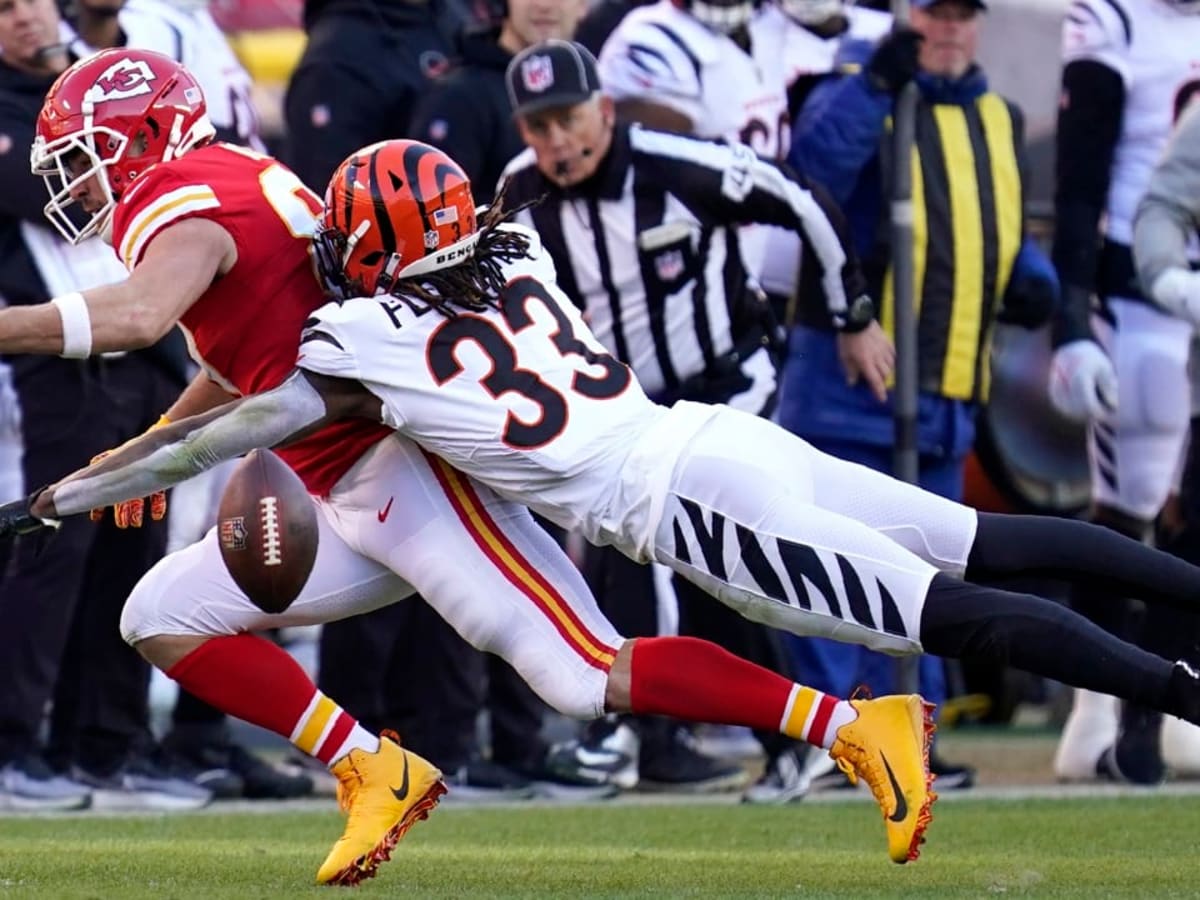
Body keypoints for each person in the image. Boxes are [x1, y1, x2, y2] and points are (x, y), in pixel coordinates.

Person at [25, 136, 1200, 848]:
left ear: (374, 253)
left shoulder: (349, 339)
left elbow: (228, 428)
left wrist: (82, 491)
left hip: (685, 508)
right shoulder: (520, 253)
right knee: (993, 542)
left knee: (956, 613)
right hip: (716, 437)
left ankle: (1178, 691)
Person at [2, 48, 944, 875]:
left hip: (402, 472)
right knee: (161, 615)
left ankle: (858, 727)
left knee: (581, 675)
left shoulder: (183, 195)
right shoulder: (231, 175)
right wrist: (120, 466)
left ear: (143, 135)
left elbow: (133, 320)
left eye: (85, 160)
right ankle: (375, 767)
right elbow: (232, 361)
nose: (78, 187)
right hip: (341, 481)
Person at [498, 38, 862, 799]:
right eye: (539, 127)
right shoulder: (520, 189)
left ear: (604, 109)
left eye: (568, 119)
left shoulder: (676, 163)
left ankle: (629, 730)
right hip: (626, 407)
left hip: (728, 380)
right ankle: (802, 733)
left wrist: (852, 314)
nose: (557, 141)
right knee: (693, 574)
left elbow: (799, 200)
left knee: (674, 548)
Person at [780, 0, 1058, 789]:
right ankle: (838, 739)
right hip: (846, 387)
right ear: (908, 19)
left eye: (962, 14)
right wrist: (875, 82)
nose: (949, 28)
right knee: (824, 570)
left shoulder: (995, 116)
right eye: (933, 13)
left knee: (924, 583)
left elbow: (993, 230)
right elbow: (815, 171)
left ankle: (915, 741)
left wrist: (1036, 285)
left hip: (945, 395)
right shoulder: (854, 85)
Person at [0, 0, 210, 812]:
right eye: (5, 7)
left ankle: (104, 746)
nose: (21, 19)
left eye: (31, 2)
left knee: (136, 556)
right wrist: (113, 130)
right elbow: (50, 189)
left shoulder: (96, 86)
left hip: (150, 358)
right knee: (50, 554)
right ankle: (15, 744)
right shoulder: (59, 107)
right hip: (61, 364)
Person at [1046, 0, 1200, 784]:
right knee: (1132, 503)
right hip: (1137, 287)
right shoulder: (1116, 21)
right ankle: (1096, 713)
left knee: (1190, 508)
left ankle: (1174, 705)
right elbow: (1080, 177)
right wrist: (1072, 318)